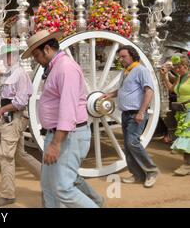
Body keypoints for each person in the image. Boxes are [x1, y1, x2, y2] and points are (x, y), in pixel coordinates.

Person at [22, 30, 102, 208]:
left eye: (36, 55)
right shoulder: (55, 68)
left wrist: (56, 144)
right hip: (58, 135)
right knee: (48, 187)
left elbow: (68, 109)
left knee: (63, 189)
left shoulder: (65, 68)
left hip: (68, 136)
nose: (36, 59)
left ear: (48, 49)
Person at [0, 44, 41, 207]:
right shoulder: (12, 71)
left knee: (5, 157)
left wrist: (1, 110)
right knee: (20, 154)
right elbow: (1, 73)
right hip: (13, 118)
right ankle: (48, 178)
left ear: (13, 56)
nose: (3, 60)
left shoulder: (19, 74)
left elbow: (20, 102)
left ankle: (7, 195)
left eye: (5, 57)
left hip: (13, 117)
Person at [101, 45, 159, 188]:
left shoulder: (141, 70)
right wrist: (110, 94)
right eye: (120, 57)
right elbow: (123, 90)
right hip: (126, 114)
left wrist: (141, 112)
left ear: (132, 55)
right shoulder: (126, 72)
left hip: (136, 113)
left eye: (123, 56)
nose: (121, 59)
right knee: (127, 146)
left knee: (132, 142)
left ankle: (151, 171)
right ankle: (138, 175)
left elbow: (149, 91)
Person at [161, 54, 190, 175]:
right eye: (175, 67)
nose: (177, 70)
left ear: (186, 65)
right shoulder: (180, 77)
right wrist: (164, 76)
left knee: (186, 137)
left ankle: (186, 166)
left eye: (179, 67)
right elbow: (172, 89)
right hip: (182, 112)